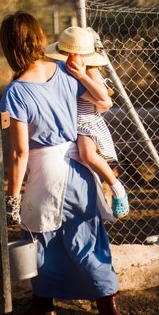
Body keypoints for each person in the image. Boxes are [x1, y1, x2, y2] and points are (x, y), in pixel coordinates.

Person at [0, 11, 127, 315]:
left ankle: (104, 312)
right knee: (86, 236)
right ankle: (45, 306)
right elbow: (101, 100)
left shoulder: (15, 92)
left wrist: (12, 196)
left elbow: (19, 153)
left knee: (43, 238)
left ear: (10, 47)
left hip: (47, 172)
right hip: (80, 168)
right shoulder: (64, 71)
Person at [44, 26, 129, 218]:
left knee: (88, 154)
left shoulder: (91, 72)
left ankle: (117, 189)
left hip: (85, 124)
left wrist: (81, 75)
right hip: (65, 124)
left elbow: (104, 98)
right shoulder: (59, 69)